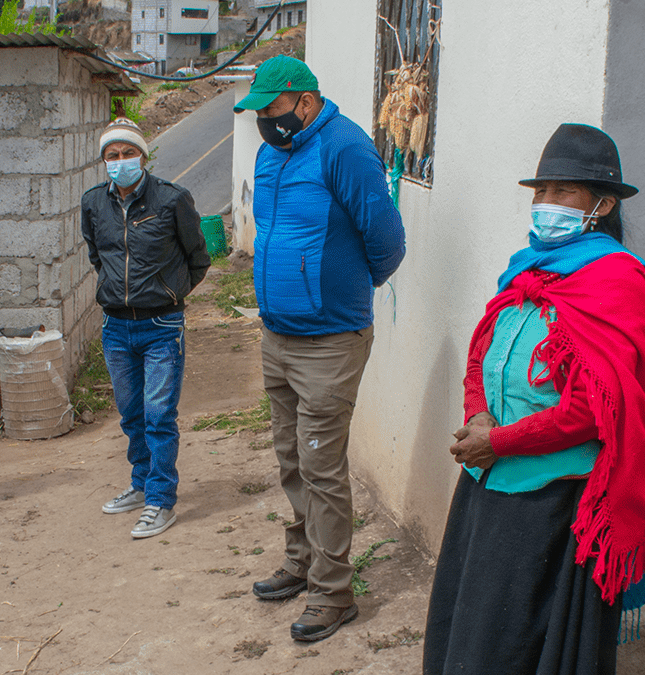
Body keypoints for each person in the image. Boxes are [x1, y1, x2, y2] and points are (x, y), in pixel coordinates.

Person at [425, 126, 645, 675]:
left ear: (602, 204)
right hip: (497, 482)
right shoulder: (528, 269)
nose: (546, 204)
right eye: (541, 191)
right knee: (502, 628)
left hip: (566, 497)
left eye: (562, 192)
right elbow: (486, 346)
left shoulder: (616, 280)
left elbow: (596, 408)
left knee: (561, 645)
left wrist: (501, 438)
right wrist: (477, 412)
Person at [234, 56, 406, 642]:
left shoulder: (345, 149)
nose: (263, 120)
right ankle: (304, 558)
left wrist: (340, 295)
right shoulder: (270, 154)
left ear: (305, 101)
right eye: (257, 110)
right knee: (291, 456)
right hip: (277, 333)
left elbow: (386, 241)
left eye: (271, 108)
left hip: (329, 340)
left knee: (321, 465)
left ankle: (334, 593)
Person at [81, 117, 212, 539]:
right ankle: (140, 485)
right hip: (116, 327)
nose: (120, 162)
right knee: (131, 414)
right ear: (104, 161)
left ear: (143, 155)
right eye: (112, 156)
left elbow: (198, 258)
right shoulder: (93, 203)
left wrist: (168, 293)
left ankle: (161, 500)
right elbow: (97, 254)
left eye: (128, 153)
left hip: (161, 326)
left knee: (159, 416)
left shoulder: (172, 200)